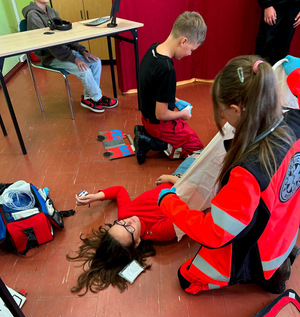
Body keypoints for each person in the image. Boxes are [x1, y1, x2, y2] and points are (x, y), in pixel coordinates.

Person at [158, 55, 300, 295]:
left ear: (236, 110)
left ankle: (269, 271)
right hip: (287, 228)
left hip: (263, 250)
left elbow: (214, 233)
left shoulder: (249, 172)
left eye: (223, 113)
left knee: (186, 278)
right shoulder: (294, 119)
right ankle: (282, 257)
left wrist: (169, 202)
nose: (222, 118)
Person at [67, 184, 177, 295]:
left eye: (120, 223)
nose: (128, 221)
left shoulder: (125, 215)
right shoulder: (161, 230)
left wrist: (95, 197)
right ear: (137, 242)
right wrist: (171, 178)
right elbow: (189, 208)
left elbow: (119, 191)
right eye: (129, 230)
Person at [134, 11, 207, 164]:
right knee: (197, 149)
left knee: (185, 130)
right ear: (183, 41)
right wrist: (182, 115)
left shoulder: (153, 49)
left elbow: (154, 87)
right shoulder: (167, 69)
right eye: (191, 49)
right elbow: (162, 114)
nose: (189, 54)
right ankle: (150, 142)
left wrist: (175, 100)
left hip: (147, 117)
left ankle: (149, 135)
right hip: (159, 124)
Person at [22, 0, 118, 113]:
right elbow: (49, 45)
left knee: (95, 62)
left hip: (65, 52)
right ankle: (97, 98)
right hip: (50, 57)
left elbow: (66, 36)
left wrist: (83, 51)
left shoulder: (52, 11)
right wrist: (75, 59)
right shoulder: (33, 15)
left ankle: (89, 98)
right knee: (84, 69)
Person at [255, 0, 300, 65]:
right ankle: (259, 72)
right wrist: (267, 5)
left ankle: (276, 73)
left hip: (294, 8)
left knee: (283, 48)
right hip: (274, 6)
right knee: (265, 45)